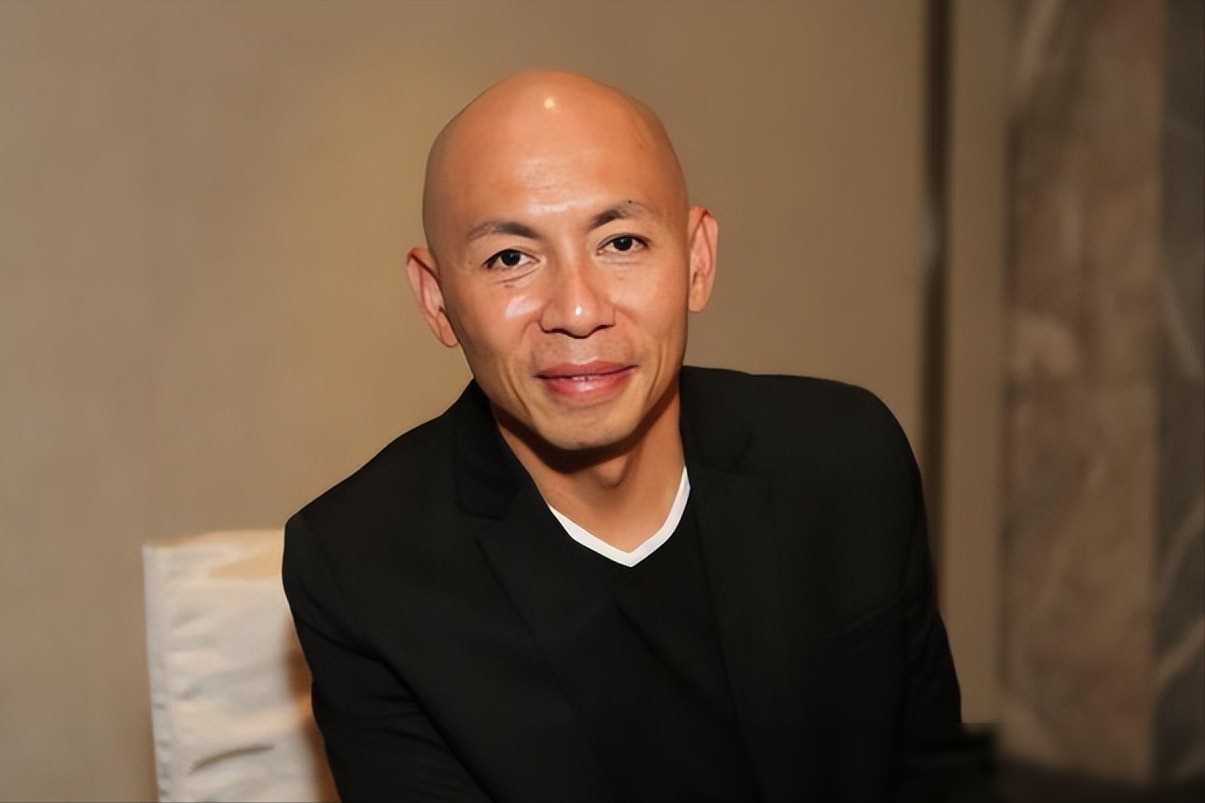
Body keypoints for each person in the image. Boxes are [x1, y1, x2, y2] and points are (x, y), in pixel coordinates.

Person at [283, 70, 963, 802]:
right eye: (510, 259)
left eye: (621, 242)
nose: (577, 311)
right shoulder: (365, 565)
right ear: (437, 299)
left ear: (697, 259)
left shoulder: (844, 460)